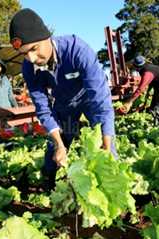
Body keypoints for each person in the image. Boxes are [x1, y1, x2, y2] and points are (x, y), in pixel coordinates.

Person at [9, 8, 116, 189]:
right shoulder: (29, 68)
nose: (32, 58)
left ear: (47, 37)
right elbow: (43, 108)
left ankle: (113, 194)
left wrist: (107, 148)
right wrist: (60, 144)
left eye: (34, 49)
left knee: (108, 149)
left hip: (89, 99)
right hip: (65, 104)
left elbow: (100, 102)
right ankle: (48, 184)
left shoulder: (77, 50)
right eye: (24, 54)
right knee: (55, 148)